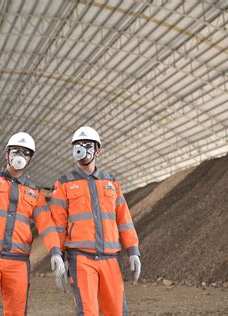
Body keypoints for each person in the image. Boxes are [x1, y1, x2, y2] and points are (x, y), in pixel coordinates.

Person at [0, 117, 65, 315]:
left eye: (26, 153)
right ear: (7, 154)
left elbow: (46, 225)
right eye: (16, 150)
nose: (20, 155)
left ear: (30, 158)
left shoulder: (35, 193)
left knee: (17, 311)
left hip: (18, 261)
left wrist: (56, 251)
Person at [50, 126, 141, 315]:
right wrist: (56, 253)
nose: (81, 149)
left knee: (116, 311)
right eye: (77, 145)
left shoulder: (111, 181)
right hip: (81, 259)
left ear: (97, 150)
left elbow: (124, 218)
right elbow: (57, 224)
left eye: (87, 145)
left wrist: (133, 250)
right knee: (87, 311)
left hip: (110, 258)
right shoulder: (64, 183)